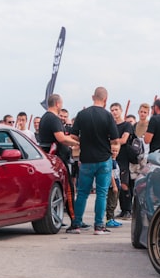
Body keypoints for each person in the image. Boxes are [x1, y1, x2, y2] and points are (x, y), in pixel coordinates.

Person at [67, 87, 120, 236]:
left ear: (92, 97)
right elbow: (115, 139)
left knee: (82, 193)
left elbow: (74, 136)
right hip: (104, 159)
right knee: (102, 193)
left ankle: (76, 224)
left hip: (86, 160)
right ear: (106, 99)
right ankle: (99, 226)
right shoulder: (108, 115)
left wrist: (83, 141)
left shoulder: (82, 114)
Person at [37, 93, 78, 227]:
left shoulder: (45, 118)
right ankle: (75, 221)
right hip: (58, 159)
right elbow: (61, 138)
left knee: (59, 191)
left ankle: (60, 218)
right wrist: (76, 143)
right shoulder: (53, 119)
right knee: (68, 190)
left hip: (52, 158)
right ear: (58, 104)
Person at [109, 102, 134, 219]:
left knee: (124, 184)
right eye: (112, 110)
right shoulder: (110, 125)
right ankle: (123, 209)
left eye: (116, 110)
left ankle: (128, 209)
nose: (114, 112)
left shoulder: (127, 125)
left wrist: (112, 142)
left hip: (123, 157)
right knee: (116, 184)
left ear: (121, 110)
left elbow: (124, 140)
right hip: (112, 158)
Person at [105, 143, 122, 228]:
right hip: (112, 184)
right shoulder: (111, 162)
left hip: (117, 182)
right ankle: (109, 219)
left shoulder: (115, 161)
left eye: (116, 151)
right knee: (111, 202)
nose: (114, 153)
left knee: (115, 202)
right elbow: (111, 174)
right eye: (113, 151)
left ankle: (112, 218)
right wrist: (114, 185)